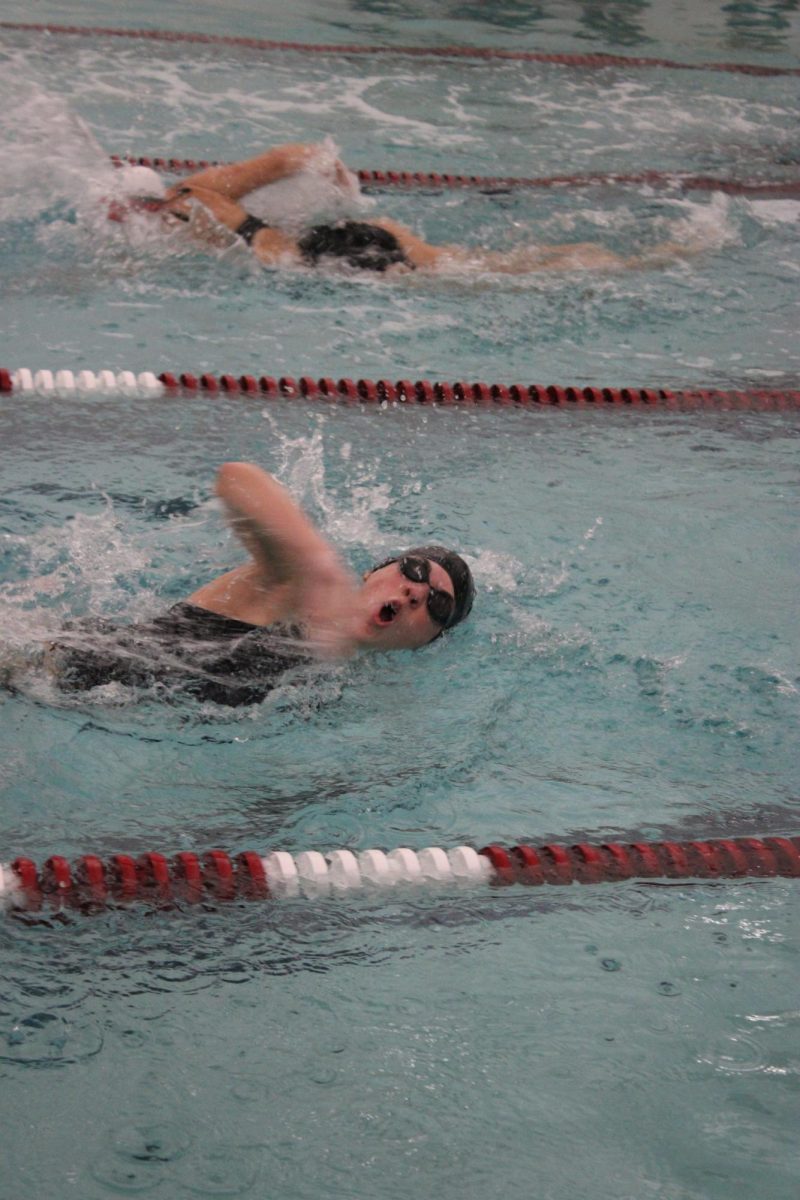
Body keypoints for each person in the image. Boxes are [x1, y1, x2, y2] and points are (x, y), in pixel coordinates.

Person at [41, 462, 475, 706]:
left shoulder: (339, 682)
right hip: (39, 668)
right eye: (414, 571)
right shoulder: (295, 588)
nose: (417, 591)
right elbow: (236, 478)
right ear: (372, 572)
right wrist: (318, 564)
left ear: (428, 641)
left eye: (438, 606)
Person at [123, 141, 694, 275]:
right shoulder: (198, 197)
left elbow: (292, 157)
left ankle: (652, 257)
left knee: (487, 272)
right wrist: (341, 189)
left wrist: (334, 178)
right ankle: (651, 253)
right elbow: (299, 156)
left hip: (346, 251)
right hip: (350, 235)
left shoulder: (195, 202)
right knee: (488, 263)